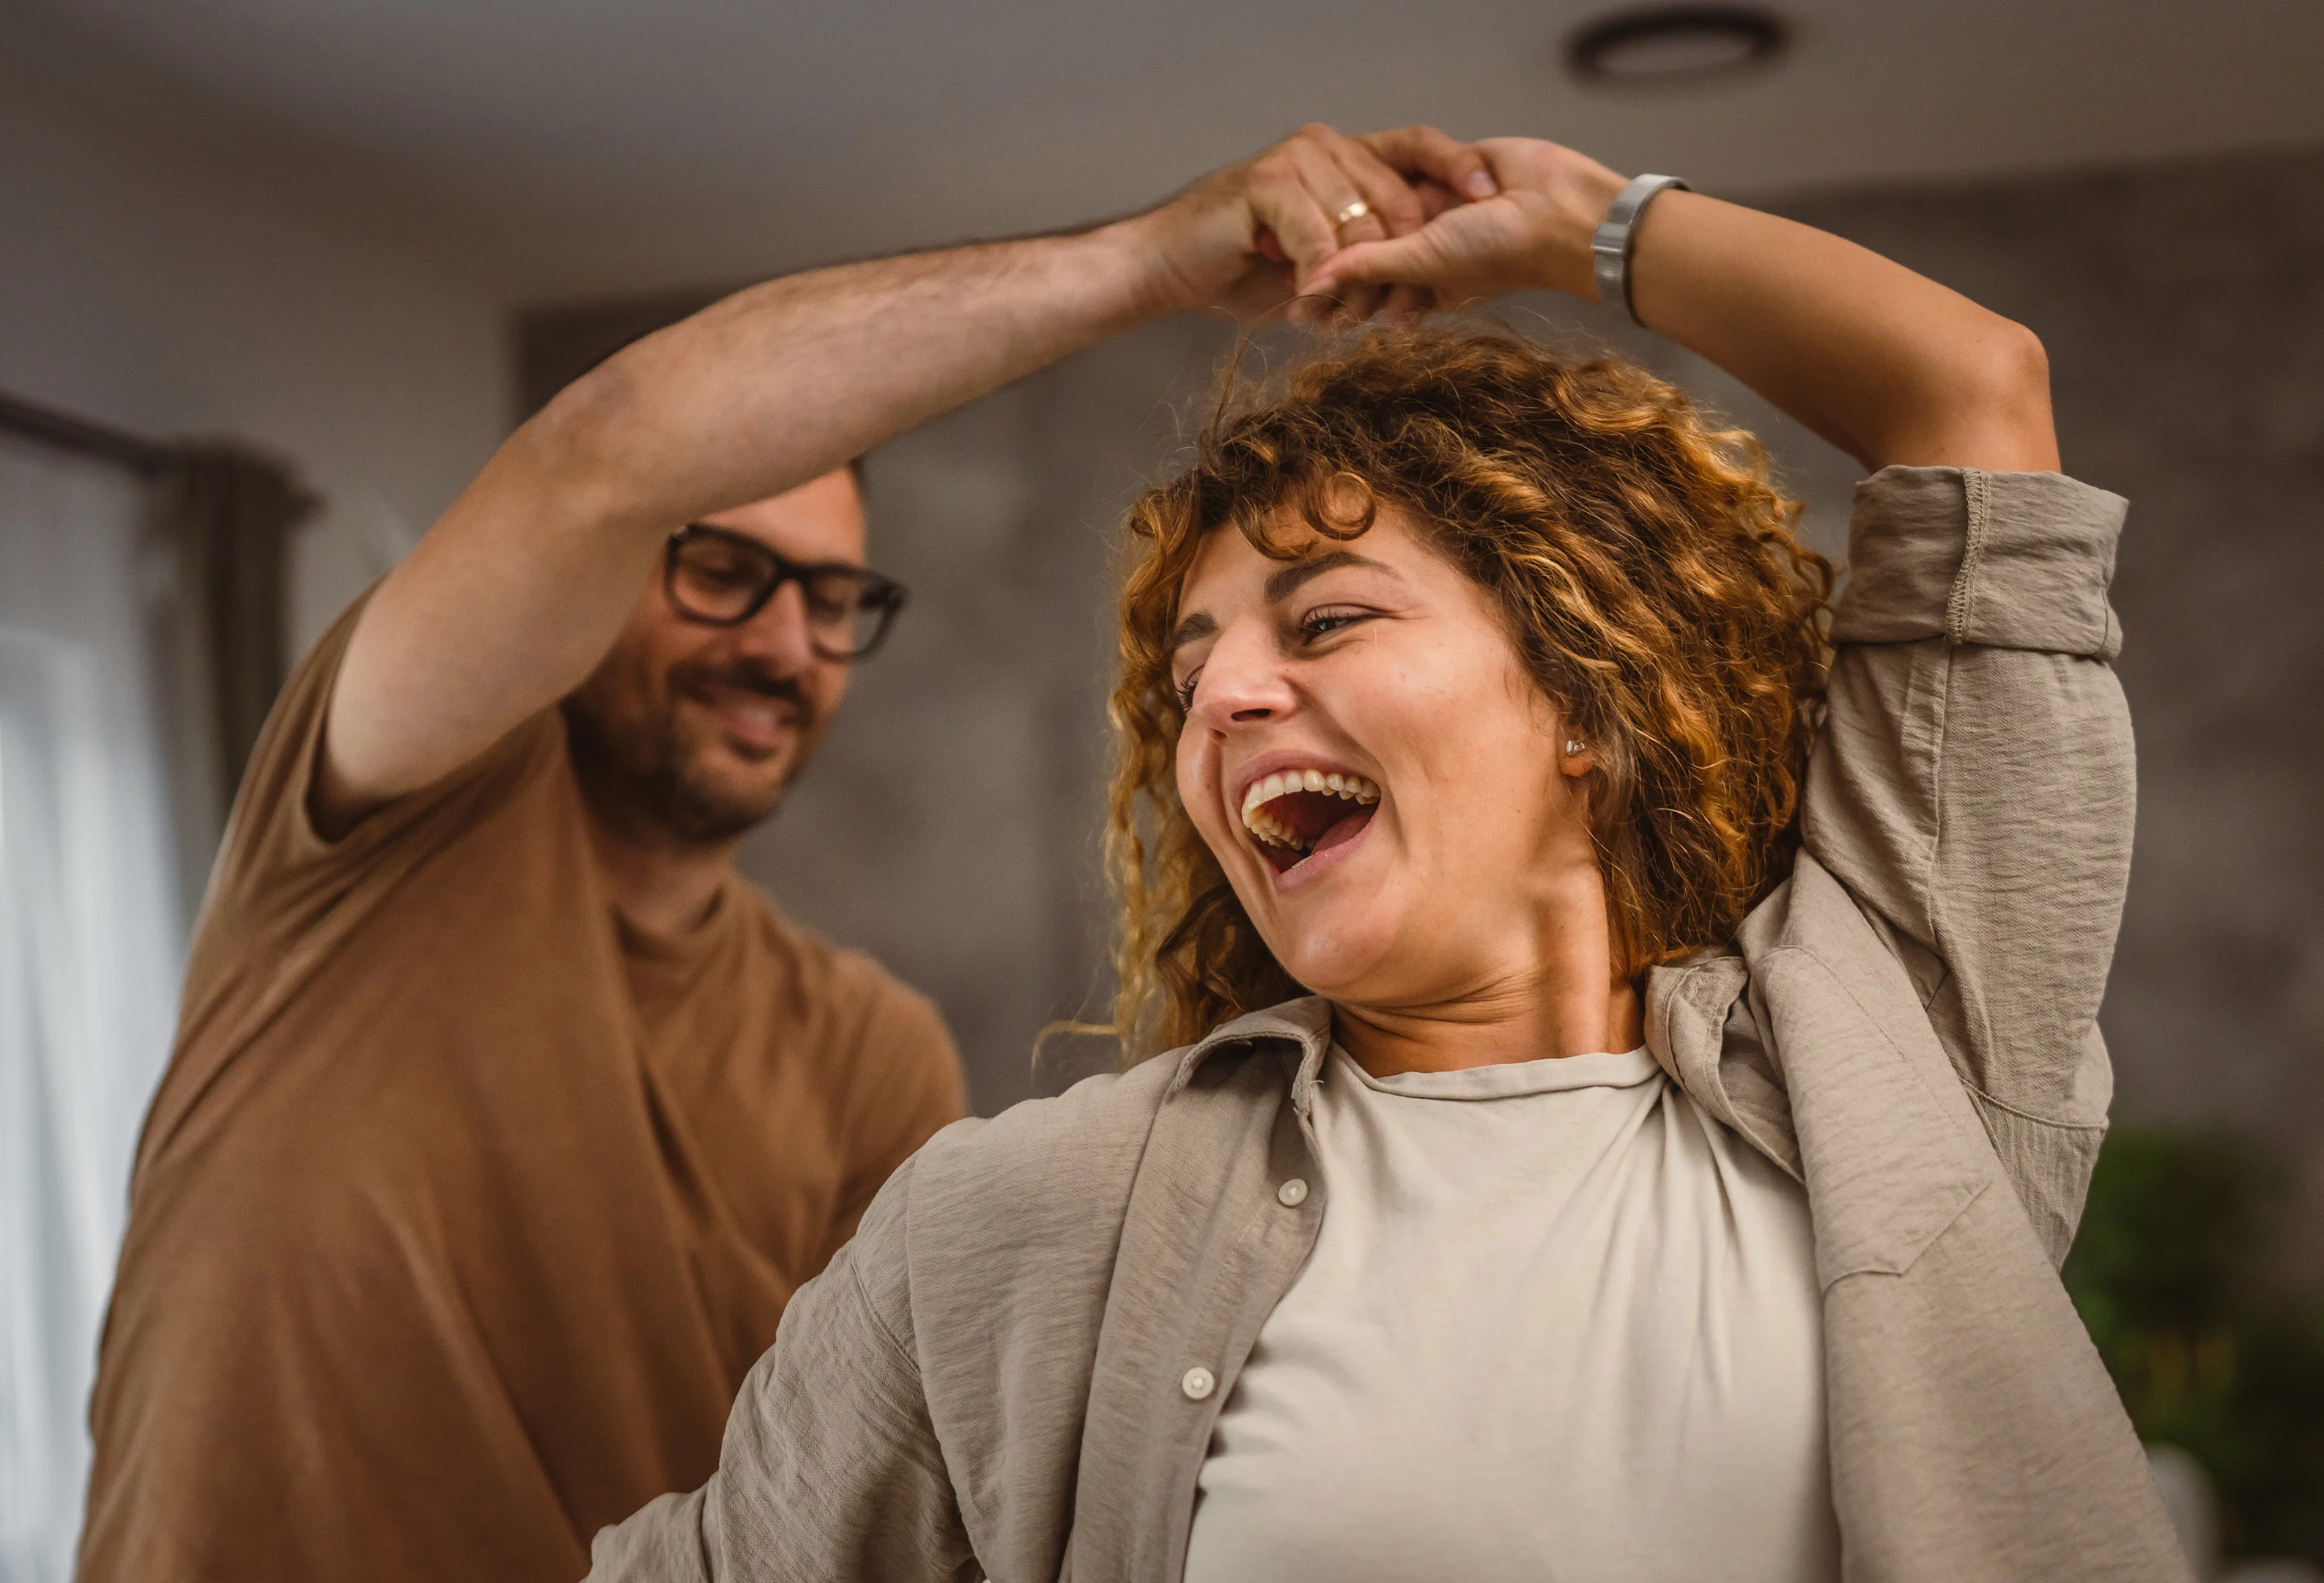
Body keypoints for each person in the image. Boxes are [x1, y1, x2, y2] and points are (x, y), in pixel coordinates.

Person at [580, 133, 2189, 1579]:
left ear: (1585, 690)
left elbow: (1973, 401)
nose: (1219, 696)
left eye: (1329, 619)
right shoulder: (1031, 1219)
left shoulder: (1889, 1047)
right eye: (1189, 670)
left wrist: (1584, 228)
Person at [76, 299, 982, 1572]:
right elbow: (591, 454)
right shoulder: (383, 820)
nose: (783, 645)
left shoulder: (868, 1055)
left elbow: (852, 1500)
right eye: (724, 571)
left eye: (832, 599)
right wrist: (1148, 260)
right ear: (604, 568)